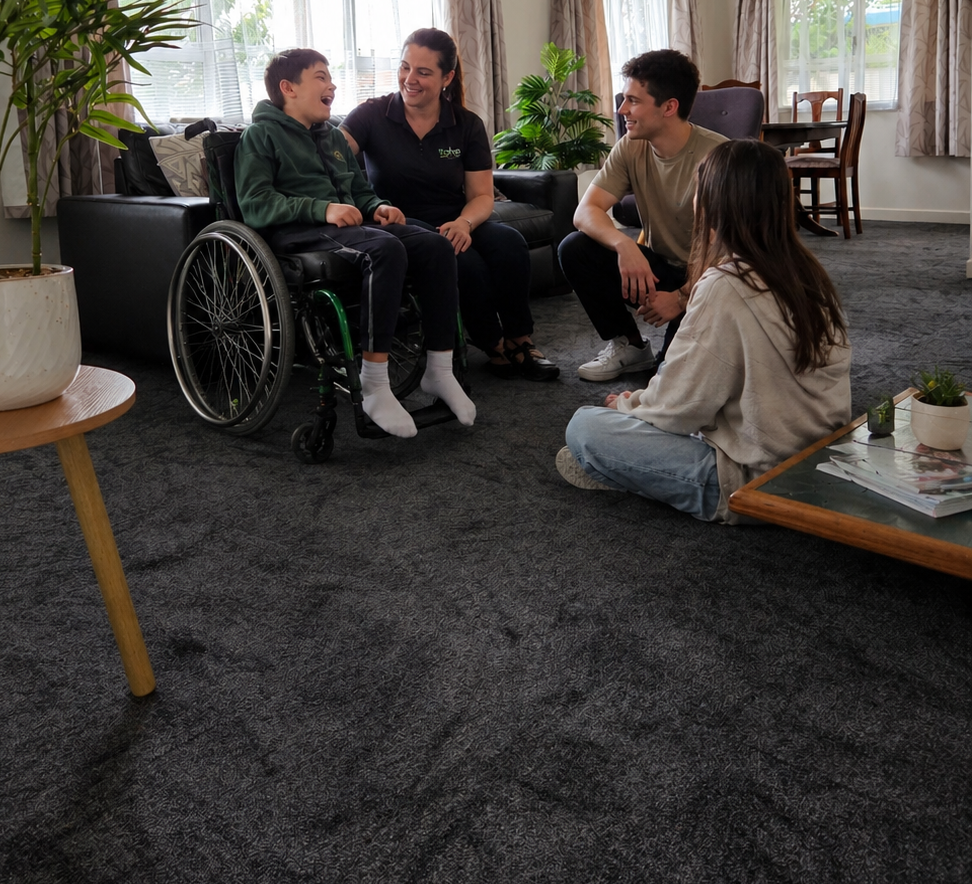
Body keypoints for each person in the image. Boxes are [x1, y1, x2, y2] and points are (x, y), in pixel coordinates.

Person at [556, 138, 852, 523]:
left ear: (714, 204)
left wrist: (629, 406)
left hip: (757, 477)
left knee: (585, 428)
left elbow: (683, 407)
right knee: (667, 378)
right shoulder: (807, 271)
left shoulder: (724, 283)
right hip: (817, 454)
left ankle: (637, 474)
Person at [235, 48, 476, 439]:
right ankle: (375, 384)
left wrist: (378, 207)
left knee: (434, 245)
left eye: (331, 77)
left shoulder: (332, 135)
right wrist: (322, 208)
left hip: (347, 227)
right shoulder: (260, 135)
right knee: (385, 250)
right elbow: (255, 204)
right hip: (297, 235)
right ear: (288, 88)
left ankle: (439, 370)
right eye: (321, 77)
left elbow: (360, 190)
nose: (332, 85)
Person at [342, 28, 558, 383]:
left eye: (423, 72)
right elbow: (330, 153)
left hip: (454, 217)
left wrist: (464, 223)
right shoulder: (371, 115)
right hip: (397, 220)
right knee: (463, 259)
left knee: (509, 245)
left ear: (447, 78)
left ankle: (522, 340)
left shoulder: (466, 125)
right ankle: (493, 344)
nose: (410, 79)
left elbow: (481, 195)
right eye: (405, 67)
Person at [558, 49, 724, 381]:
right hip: (662, 269)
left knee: (667, 382)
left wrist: (680, 298)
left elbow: (733, 256)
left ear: (669, 107)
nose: (622, 111)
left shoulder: (718, 158)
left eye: (633, 101)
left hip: (712, 283)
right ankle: (631, 345)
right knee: (575, 247)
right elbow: (586, 211)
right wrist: (625, 246)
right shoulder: (631, 146)